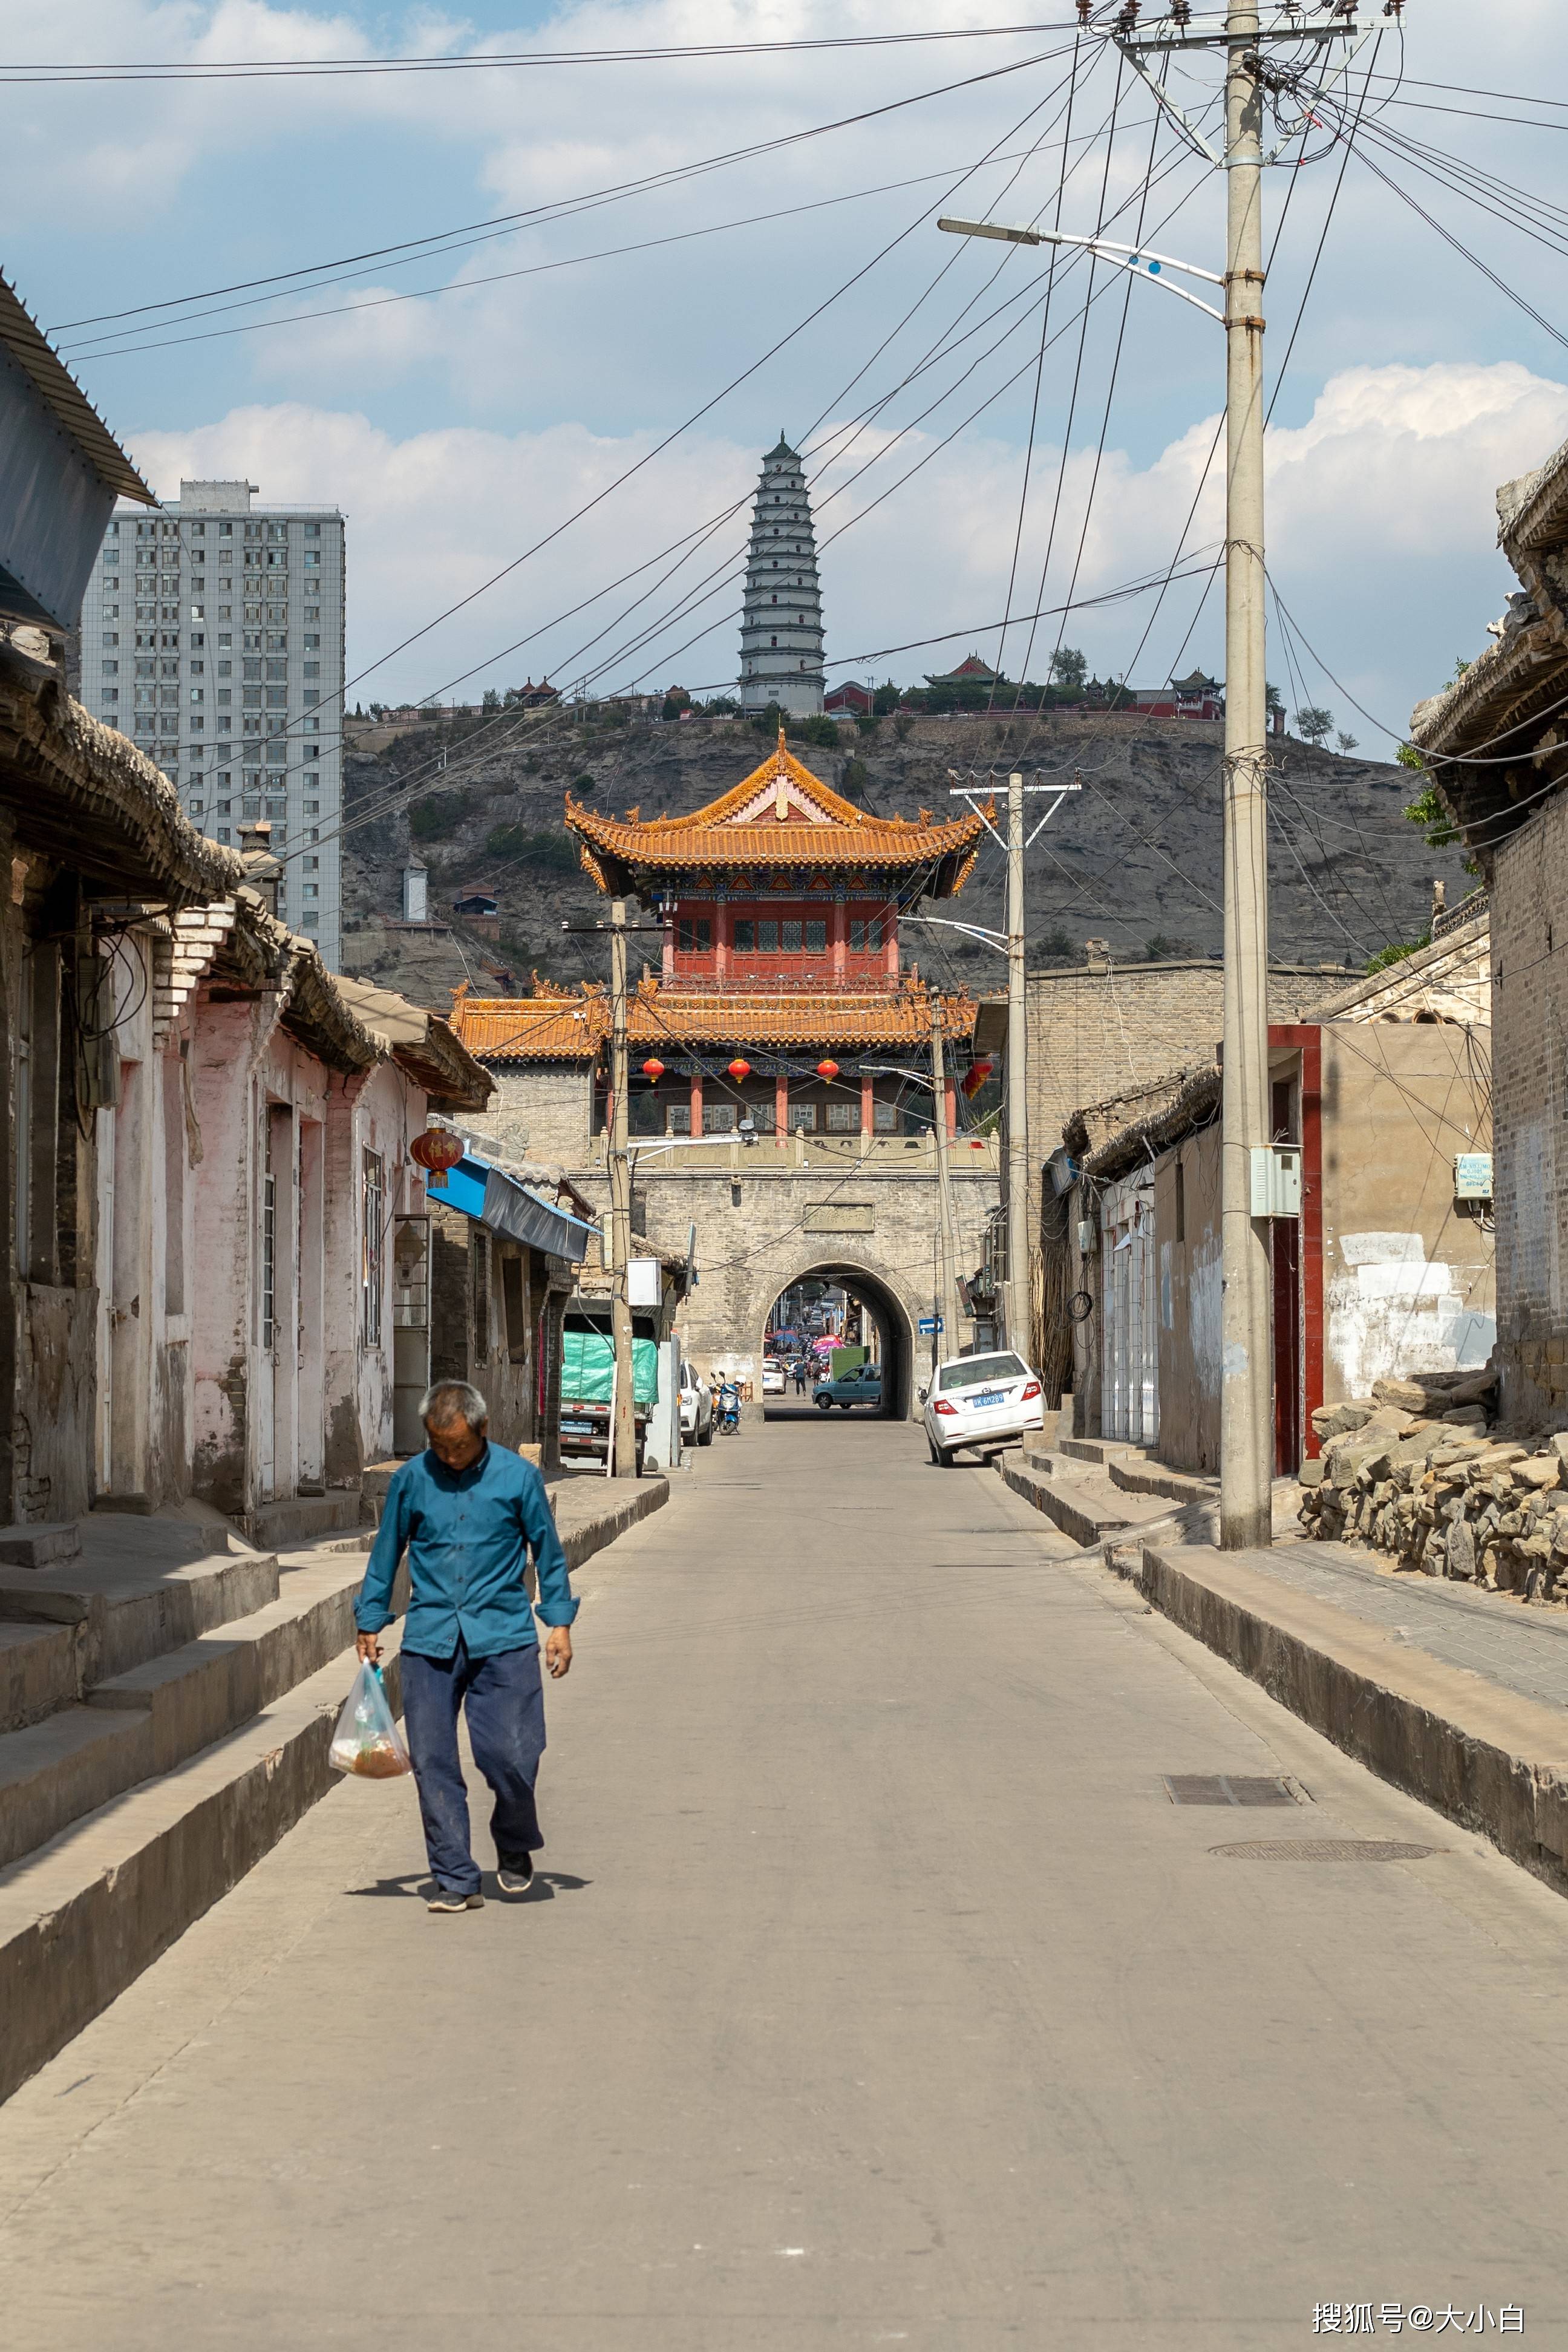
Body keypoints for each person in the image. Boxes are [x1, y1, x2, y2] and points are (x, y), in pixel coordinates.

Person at [354, 1380, 577, 1915]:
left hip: (502, 1636)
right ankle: (454, 1877)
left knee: (514, 1755)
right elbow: (388, 1552)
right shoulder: (411, 1481)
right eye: (439, 1446)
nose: (450, 1456)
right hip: (430, 1638)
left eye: (459, 1446)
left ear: (482, 1431)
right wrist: (371, 1619)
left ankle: (515, 1841)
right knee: (432, 1761)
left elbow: (547, 1552)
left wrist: (560, 1624)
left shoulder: (517, 1478)